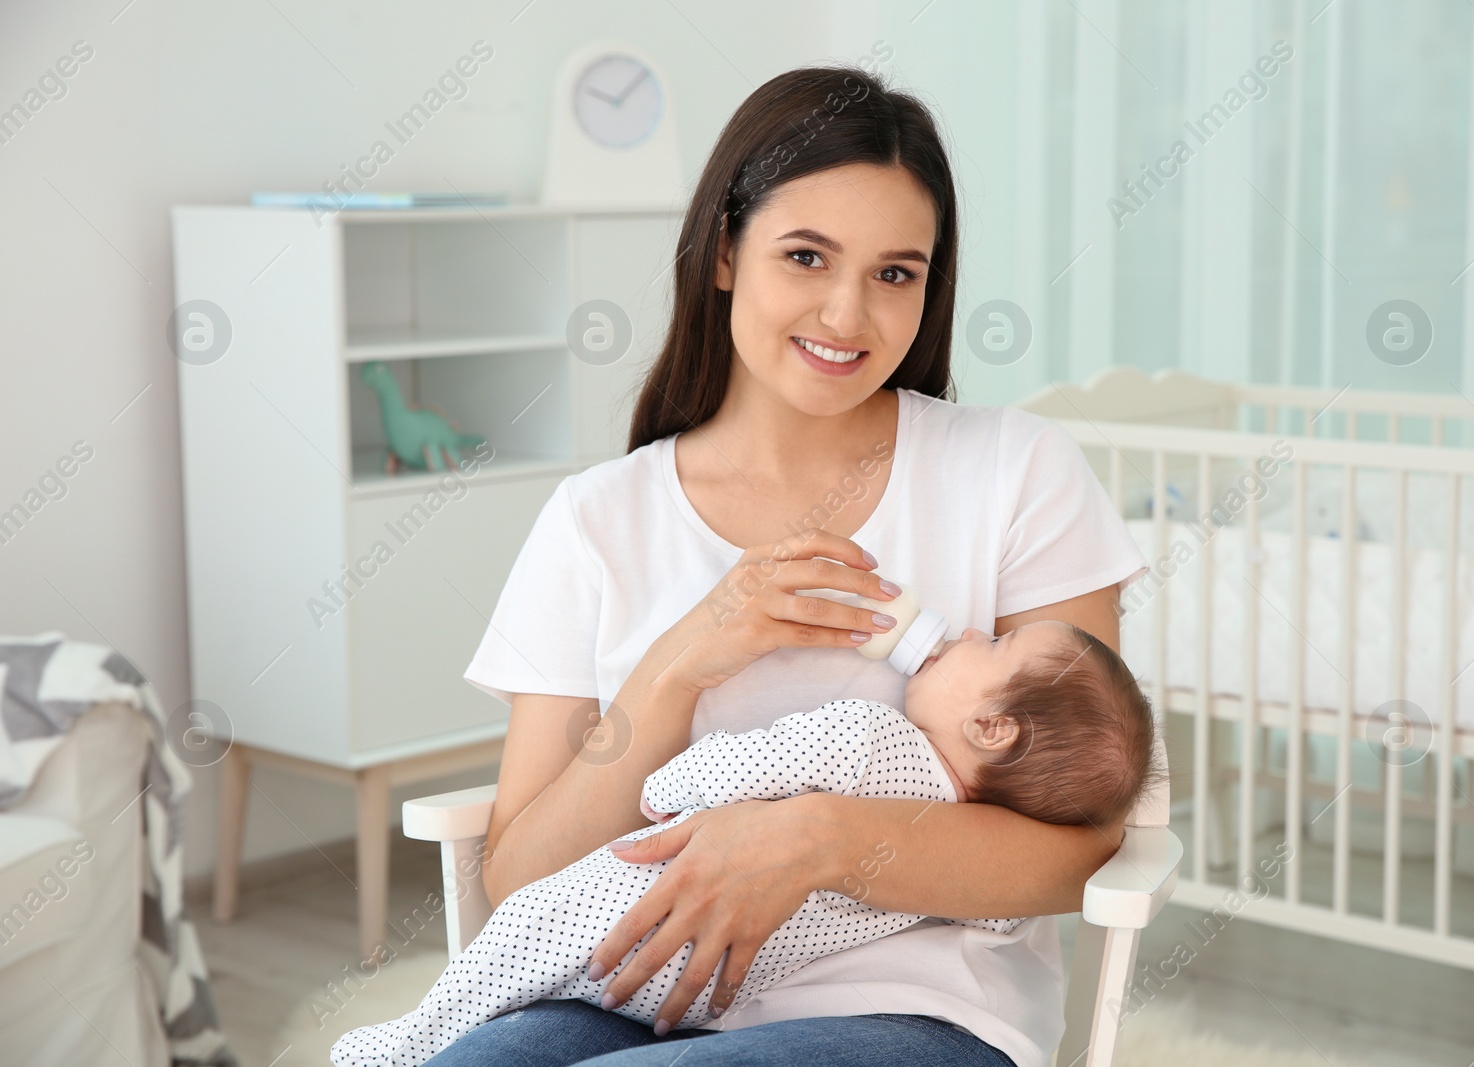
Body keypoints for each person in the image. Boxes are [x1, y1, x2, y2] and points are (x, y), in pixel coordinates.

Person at [437, 63, 1150, 1067]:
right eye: (807, 256)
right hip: (632, 982)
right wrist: (677, 664)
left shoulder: (1017, 472)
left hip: (917, 1007)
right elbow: (520, 876)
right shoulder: (597, 520)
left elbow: (1077, 844)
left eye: (895, 273)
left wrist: (812, 841)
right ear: (725, 250)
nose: (848, 316)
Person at [332, 623, 1157, 1066]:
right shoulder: (952, 872)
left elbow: (748, 763)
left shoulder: (872, 738)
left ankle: (407, 1036)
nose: (974, 628)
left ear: (993, 724)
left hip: (663, 935)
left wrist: (672, 790)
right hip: (707, 983)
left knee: (516, 950)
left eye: (997, 644)